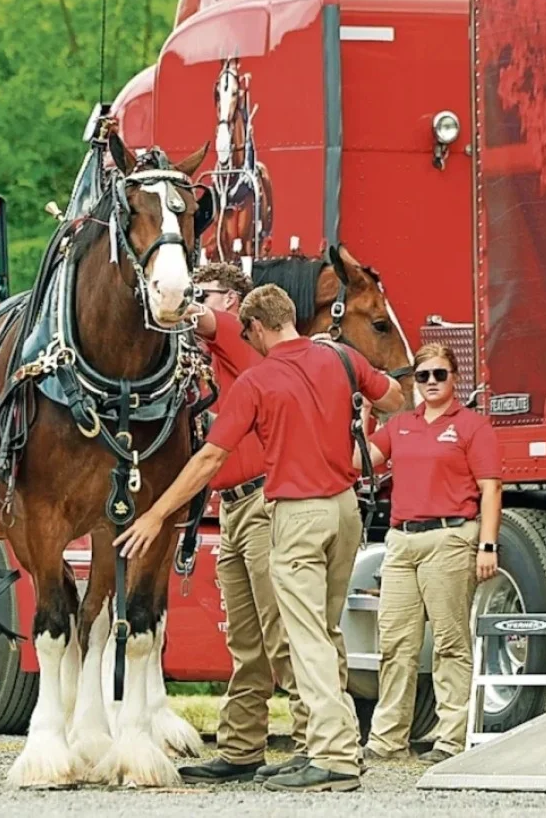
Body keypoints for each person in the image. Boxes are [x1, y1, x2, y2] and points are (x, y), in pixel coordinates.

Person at [115, 284, 404, 792]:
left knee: (304, 637)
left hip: (295, 512)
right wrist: (363, 423)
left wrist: (157, 515)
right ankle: (286, 748)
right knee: (320, 631)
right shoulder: (339, 358)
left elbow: (208, 457)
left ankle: (333, 756)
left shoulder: (256, 379)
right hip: (343, 507)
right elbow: (398, 399)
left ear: (255, 326)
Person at [178, 264, 307, 784]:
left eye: (204, 291)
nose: (197, 300)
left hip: (258, 502)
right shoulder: (220, 353)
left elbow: (201, 318)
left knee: (280, 632)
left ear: (232, 299)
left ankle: (314, 743)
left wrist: (171, 295)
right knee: (246, 641)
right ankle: (241, 747)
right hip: (232, 506)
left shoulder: (234, 331)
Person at [357, 343, 502, 766]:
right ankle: (387, 739)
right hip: (402, 540)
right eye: (424, 376)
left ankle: (449, 738)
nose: (432, 382)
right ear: (416, 382)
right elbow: (358, 461)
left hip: (450, 536)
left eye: (440, 374)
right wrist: (364, 414)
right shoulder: (401, 425)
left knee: (449, 642)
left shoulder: (473, 426)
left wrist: (486, 545)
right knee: (396, 642)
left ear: (454, 378)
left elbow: (491, 488)